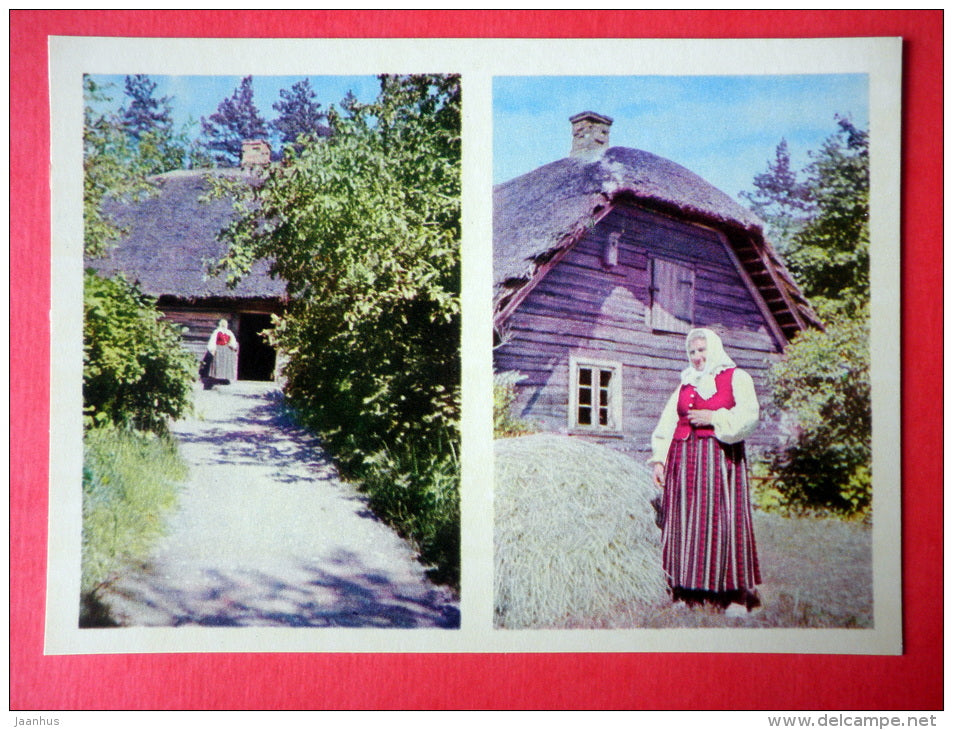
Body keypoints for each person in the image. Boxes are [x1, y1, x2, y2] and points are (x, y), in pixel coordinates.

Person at [648, 327, 762, 617]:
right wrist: (660, 459)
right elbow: (668, 422)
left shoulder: (736, 378)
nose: (697, 357)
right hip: (683, 459)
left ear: (714, 348)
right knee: (684, 523)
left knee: (722, 521)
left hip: (718, 460)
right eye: (692, 352)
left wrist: (715, 417)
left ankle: (735, 594)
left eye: (702, 350)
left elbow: (749, 417)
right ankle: (687, 590)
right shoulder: (685, 383)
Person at [204, 318, 239, 388]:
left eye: (225, 324)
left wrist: (232, 346)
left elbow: (232, 340)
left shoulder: (229, 332)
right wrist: (212, 349)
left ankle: (225, 379)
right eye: (223, 324)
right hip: (219, 348)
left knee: (226, 363)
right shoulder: (217, 332)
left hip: (227, 350)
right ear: (220, 324)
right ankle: (216, 379)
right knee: (218, 363)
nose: (224, 325)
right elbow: (213, 340)